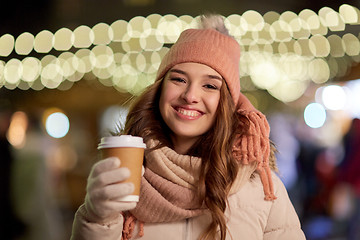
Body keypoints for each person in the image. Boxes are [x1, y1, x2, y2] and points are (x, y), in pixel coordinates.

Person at [71, 14, 306, 240]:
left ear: (227, 103)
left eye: (210, 86)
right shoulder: (125, 171)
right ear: (160, 89)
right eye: (179, 79)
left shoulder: (261, 188)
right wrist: (97, 218)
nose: (191, 95)